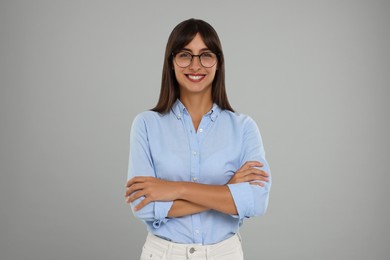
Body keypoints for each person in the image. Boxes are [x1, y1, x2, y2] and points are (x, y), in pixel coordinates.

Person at [125, 18, 271, 260]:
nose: (195, 65)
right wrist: (228, 191)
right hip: (164, 254)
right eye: (185, 55)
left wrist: (175, 189)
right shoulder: (146, 124)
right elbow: (145, 207)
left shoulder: (244, 128)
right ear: (171, 63)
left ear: (218, 63)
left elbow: (255, 202)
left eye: (205, 55)